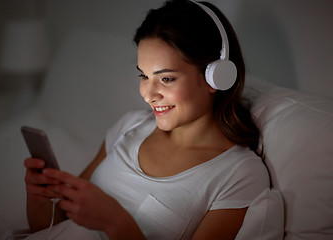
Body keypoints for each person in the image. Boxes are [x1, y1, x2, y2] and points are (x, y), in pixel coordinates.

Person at [23, 0, 270, 239]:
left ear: (215, 77)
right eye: (144, 75)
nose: (148, 95)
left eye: (166, 79)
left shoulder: (239, 175)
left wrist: (115, 222)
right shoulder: (129, 125)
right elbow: (50, 227)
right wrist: (39, 199)